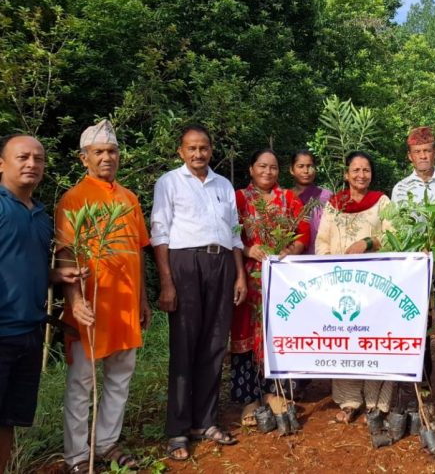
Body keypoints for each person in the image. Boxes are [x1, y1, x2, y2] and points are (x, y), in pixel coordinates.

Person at [54, 120, 151, 473]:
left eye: (112, 151)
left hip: (125, 305)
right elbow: (65, 253)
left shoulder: (129, 198)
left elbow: (137, 251)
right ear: (84, 159)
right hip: (91, 307)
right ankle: (78, 456)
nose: (106, 157)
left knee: (120, 377)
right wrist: (76, 301)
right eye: (99, 152)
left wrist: (142, 299)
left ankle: (107, 442)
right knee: (81, 381)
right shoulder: (73, 199)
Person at [151, 124, 247, 461]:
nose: (198, 154)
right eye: (191, 148)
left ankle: (204, 421)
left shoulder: (223, 185)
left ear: (211, 149)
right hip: (185, 263)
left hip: (220, 264)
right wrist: (166, 281)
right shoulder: (169, 182)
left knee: (215, 343)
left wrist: (239, 276)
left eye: (203, 147)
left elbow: (235, 234)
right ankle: (177, 430)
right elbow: (160, 233)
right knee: (185, 345)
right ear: (181, 151)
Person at [0, 133, 84, 472]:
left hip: (30, 331)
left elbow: (21, 262)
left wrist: (56, 276)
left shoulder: (41, 216)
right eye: (23, 157)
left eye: (38, 158)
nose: (32, 164)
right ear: (2, 163)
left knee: (8, 419)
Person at [231, 148, 309, 425]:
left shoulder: (288, 198)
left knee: (279, 331)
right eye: (261, 166)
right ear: (251, 169)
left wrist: (291, 251)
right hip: (248, 276)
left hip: (281, 278)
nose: (267, 172)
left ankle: (274, 392)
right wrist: (248, 249)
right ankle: (249, 399)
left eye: (273, 167)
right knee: (245, 336)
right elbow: (227, 233)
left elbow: (303, 232)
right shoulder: (238, 198)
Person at [315, 151, 393, 424]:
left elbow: (393, 235)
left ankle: (376, 402)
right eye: (356, 170)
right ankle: (349, 401)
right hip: (341, 285)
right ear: (346, 174)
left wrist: (368, 243)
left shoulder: (381, 201)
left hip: (374, 284)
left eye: (366, 170)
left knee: (373, 340)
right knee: (345, 340)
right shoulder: (334, 204)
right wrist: (329, 266)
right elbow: (322, 240)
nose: (361, 175)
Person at [391, 126, 435, 394]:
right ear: (410, 156)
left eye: (427, 151)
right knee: (419, 327)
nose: (423, 156)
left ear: (434, 152)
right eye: (418, 152)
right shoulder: (401, 189)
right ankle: (424, 386)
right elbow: (397, 228)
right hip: (416, 271)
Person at [289, 149, 332, 255]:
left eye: (310, 166)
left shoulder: (327, 196)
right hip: (290, 261)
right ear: (291, 170)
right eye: (300, 166)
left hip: (320, 258)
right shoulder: (285, 198)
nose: (306, 171)